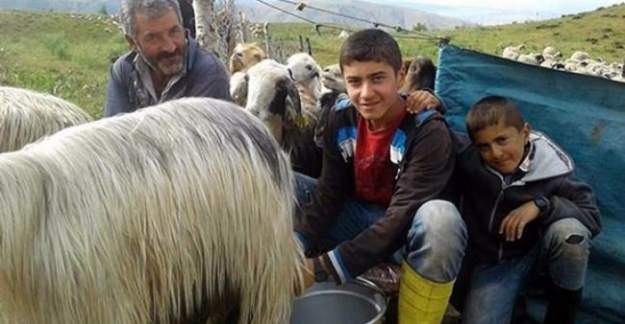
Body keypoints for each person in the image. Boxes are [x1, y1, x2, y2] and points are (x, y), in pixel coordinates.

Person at [294, 29, 467, 324]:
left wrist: (322, 268)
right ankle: (284, 268)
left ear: (400, 76)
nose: (366, 93)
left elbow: (402, 216)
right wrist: (296, 248)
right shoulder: (341, 117)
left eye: (377, 78)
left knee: (441, 219)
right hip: (361, 220)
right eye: (354, 81)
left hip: (409, 238)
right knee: (286, 183)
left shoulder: (427, 131)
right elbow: (329, 193)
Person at [407, 94, 601, 324]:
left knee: (570, 234)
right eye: (485, 146)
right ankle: (507, 305)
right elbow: (439, 132)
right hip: (486, 263)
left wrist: (542, 206)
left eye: (502, 140)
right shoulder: (469, 156)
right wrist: (434, 103)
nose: (496, 153)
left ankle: (561, 317)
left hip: (525, 258)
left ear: (525, 132)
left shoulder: (553, 170)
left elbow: (591, 217)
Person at [105, 0, 230, 117]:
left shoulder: (209, 72)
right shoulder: (124, 70)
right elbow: (114, 134)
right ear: (133, 42)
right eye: (153, 38)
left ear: (182, 25)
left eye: (174, 31)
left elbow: (194, 138)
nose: (170, 47)